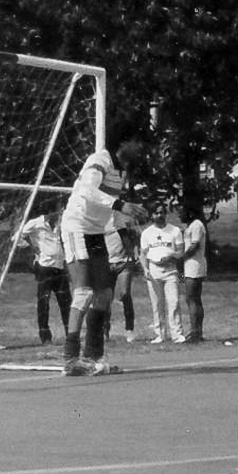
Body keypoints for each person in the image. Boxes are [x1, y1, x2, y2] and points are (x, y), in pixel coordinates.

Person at [60, 134, 147, 376]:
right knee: (84, 292)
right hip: (76, 227)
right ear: (122, 142)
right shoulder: (100, 160)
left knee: (105, 294)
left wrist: (126, 230)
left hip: (96, 232)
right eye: (137, 141)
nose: (140, 148)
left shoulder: (122, 172)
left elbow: (110, 206)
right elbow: (88, 190)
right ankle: (70, 359)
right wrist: (121, 206)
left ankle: (93, 355)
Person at [16, 200, 71, 345]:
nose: (61, 213)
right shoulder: (36, 223)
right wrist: (31, 248)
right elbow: (16, 237)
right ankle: (45, 336)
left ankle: (71, 334)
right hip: (44, 268)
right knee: (44, 302)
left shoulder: (62, 223)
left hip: (59, 267)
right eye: (59, 210)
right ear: (49, 212)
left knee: (66, 302)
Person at [140, 204, 186, 344]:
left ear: (165, 214)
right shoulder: (146, 233)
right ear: (151, 215)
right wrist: (146, 269)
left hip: (170, 270)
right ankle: (160, 334)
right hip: (154, 271)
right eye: (156, 213)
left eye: (161, 213)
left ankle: (177, 334)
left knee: (173, 302)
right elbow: (143, 254)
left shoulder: (175, 231)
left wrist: (171, 257)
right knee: (157, 304)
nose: (159, 215)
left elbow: (180, 251)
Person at [104, 207, 139, 343]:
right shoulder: (99, 221)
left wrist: (133, 253)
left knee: (125, 294)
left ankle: (129, 329)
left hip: (123, 262)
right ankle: (105, 330)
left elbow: (134, 236)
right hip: (107, 263)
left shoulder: (123, 219)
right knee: (106, 298)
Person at [179, 202, 208, 343]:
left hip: (194, 266)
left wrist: (181, 258)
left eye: (181, 212)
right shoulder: (190, 226)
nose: (179, 215)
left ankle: (195, 331)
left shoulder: (196, 225)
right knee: (192, 298)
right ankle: (197, 331)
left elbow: (194, 246)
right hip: (188, 266)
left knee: (192, 299)